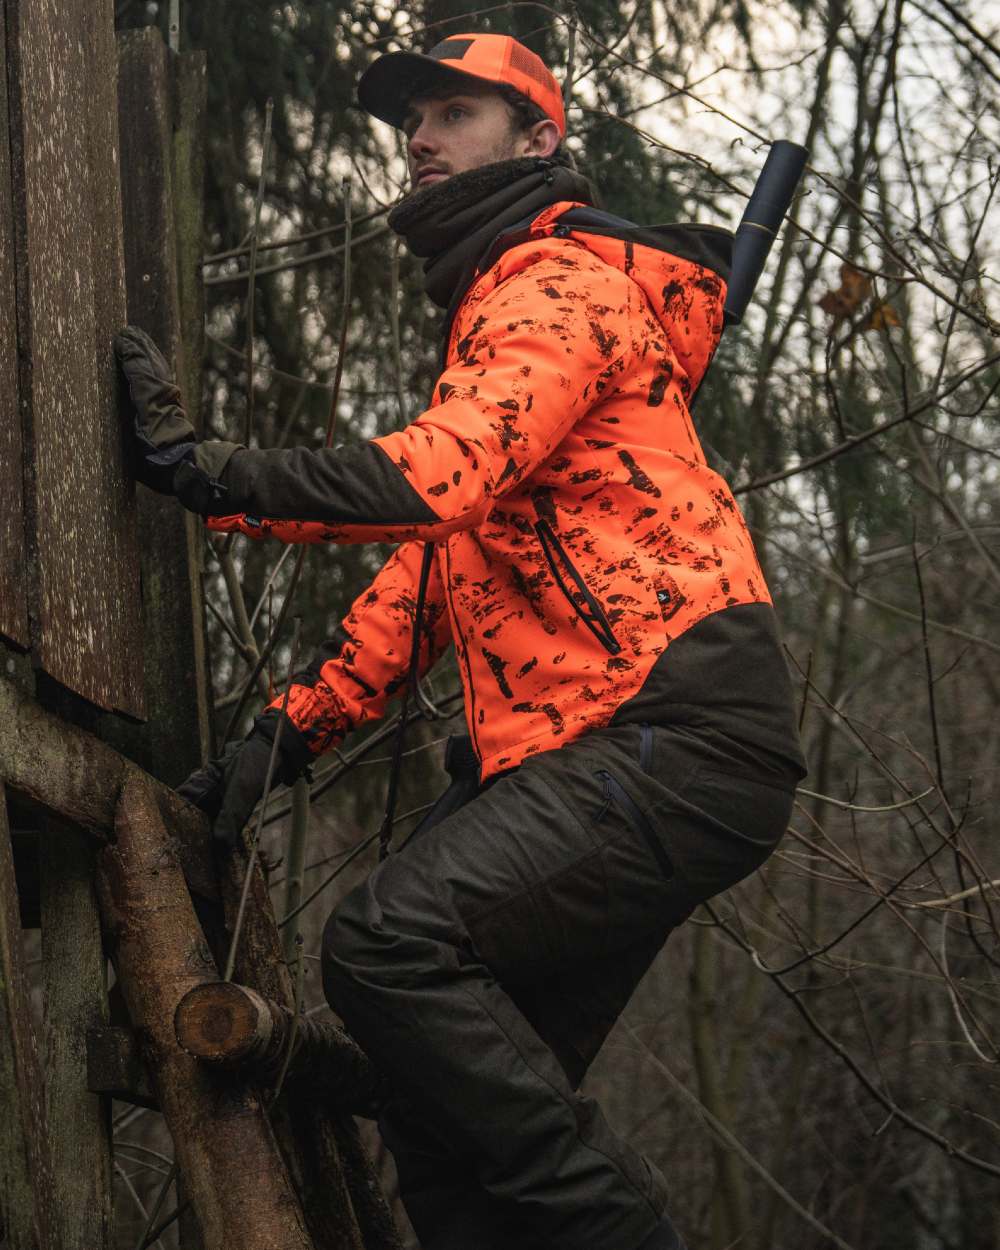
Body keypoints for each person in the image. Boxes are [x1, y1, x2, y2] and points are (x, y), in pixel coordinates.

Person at [115, 31, 806, 1250]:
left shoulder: (554, 282)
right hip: (597, 744)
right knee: (442, 1122)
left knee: (388, 939)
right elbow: (440, 569)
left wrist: (212, 473)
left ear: (538, 140)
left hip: (672, 728)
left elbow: (435, 479)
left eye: (453, 114)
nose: (418, 141)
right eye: (409, 122)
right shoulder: (502, 301)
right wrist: (291, 729)